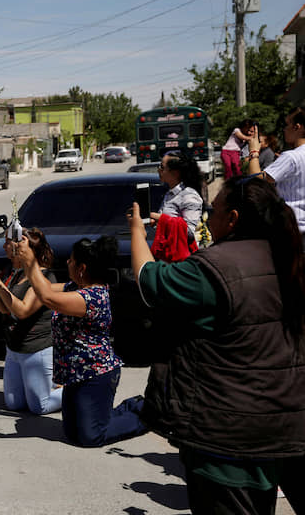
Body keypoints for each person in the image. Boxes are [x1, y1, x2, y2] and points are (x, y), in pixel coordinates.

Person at [128, 175, 305, 514]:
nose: (210, 216)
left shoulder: (213, 270)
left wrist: (137, 230)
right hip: (283, 426)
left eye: (215, 210)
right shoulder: (288, 257)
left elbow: (147, 279)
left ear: (234, 218)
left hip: (228, 436)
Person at [16, 234, 147, 447]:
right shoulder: (74, 288)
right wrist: (26, 262)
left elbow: (48, 298)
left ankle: (145, 415)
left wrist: (30, 261)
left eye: (71, 260)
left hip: (96, 374)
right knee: (71, 433)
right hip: (74, 374)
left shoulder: (91, 298)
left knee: (91, 437)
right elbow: (45, 290)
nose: (67, 262)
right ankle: (128, 408)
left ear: (82, 268)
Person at [0, 226, 62, 415]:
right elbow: (5, 308)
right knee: (15, 404)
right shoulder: (15, 273)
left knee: (40, 406)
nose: (6, 246)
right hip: (14, 350)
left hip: (36, 350)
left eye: (10, 242)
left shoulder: (44, 277)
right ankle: (40, 385)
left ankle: (75, 389)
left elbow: (22, 311)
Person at [247, 107, 305, 245]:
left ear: (297, 127)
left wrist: (254, 152)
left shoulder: (292, 157)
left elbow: (257, 180)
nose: (284, 129)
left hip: (293, 229)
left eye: (287, 124)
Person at [149, 151, 203, 262]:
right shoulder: (170, 193)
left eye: (162, 167)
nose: (159, 170)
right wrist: (157, 223)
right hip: (168, 257)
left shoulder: (189, 196)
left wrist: (160, 218)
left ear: (175, 172)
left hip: (183, 261)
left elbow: (190, 232)